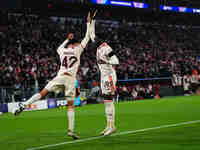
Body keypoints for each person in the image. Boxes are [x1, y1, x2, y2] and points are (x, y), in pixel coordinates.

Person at [12, 12, 93, 139]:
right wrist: (89, 22)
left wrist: (67, 38)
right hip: (70, 79)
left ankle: (24, 105)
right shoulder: (77, 50)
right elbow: (87, 38)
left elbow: (58, 47)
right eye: (76, 43)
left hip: (60, 76)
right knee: (71, 105)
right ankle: (71, 131)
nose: (78, 45)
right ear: (74, 45)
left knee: (43, 93)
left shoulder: (62, 50)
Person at [90, 15, 119, 136]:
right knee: (106, 102)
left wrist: (106, 62)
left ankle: (112, 126)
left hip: (109, 76)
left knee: (109, 101)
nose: (93, 39)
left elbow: (116, 60)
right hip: (103, 77)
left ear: (100, 40)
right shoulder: (98, 46)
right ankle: (108, 126)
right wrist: (91, 21)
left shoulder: (106, 48)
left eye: (96, 38)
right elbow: (91, 34)